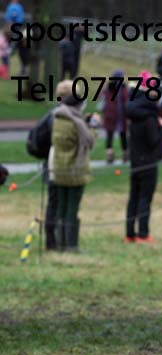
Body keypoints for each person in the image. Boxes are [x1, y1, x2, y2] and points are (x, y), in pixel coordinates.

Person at [48, 80, 99, 252]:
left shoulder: (58, 118)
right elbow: (88, 141)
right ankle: (71, 244)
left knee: (61, 207)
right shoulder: (77, 123)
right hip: (75, 170)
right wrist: (92, 126)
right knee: (72, 209)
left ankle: (60, 241)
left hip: (59, 168)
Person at [125, 71, 162, 243]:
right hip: (148, 161)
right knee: (144, 198)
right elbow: (153, 141)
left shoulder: (134, 114)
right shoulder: (149, 117)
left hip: (135, 160)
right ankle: (143, 233)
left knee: (133, 197)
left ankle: (129, 233)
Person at [100, 69, 128, 164]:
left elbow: (101, 101)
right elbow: (127, 102)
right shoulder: (124, 89)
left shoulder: (108, 88)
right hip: (121, 115)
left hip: (110, 115)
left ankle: (110, 155)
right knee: (122, 135)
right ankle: (125, 154)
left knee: (110, 135)